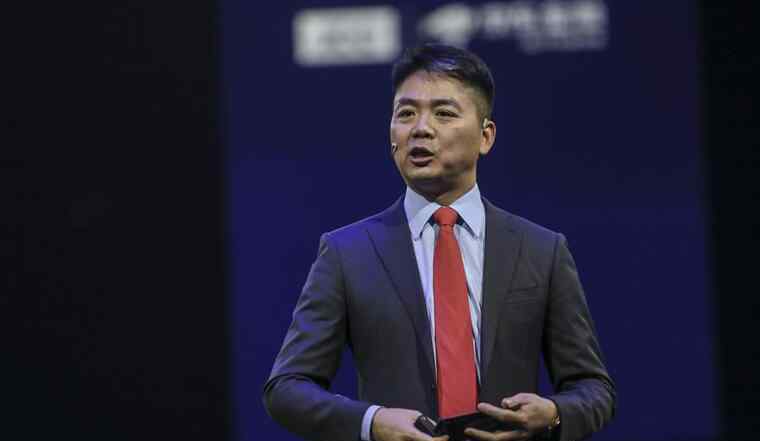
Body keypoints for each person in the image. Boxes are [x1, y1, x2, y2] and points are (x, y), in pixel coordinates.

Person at [263, 44, 615, 441]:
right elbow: (287, 388)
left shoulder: (542, 250)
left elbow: (594, 389)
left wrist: (553, 414)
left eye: (443, 113)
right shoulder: (348, 253)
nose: (421, 128)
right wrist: (372, 422)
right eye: (406, 114)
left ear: (485, 136)